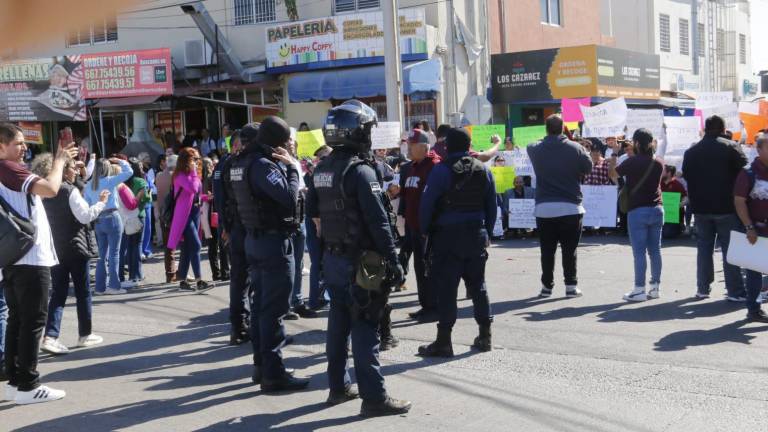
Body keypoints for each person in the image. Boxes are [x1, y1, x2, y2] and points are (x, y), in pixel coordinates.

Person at [307, 100, 410, 416]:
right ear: (357, 133)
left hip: (334, 260)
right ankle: (374, 398)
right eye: (367, 129)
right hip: (362, 264)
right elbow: (380, 222)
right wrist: (394, 263)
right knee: (366, 327)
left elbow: (313, 216)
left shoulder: (321, 170)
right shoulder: (361, 172)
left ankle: (338, 388)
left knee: (338, 325)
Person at [0, 122, 78, 404]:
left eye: (23, 143)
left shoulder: (8, 169)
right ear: (1, 147)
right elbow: (50, 188)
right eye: (17, 143)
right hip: (29, 258)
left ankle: (15, 383)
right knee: (32, 321)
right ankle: (29, 385)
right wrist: (58, 161)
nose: (24, 148)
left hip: (15, 257)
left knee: (19, 320)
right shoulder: (8, 168)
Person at [230, 117, 309, 392]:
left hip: (254, 239)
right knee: (273, 311)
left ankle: (261, 366)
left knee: (261, 308)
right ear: (279, 141)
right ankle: (273, 373)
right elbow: (288, 197)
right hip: (272, 243)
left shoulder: (242, 162)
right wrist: (290, 168)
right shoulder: (263, 165)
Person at [416, 127, 496, 358]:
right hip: (475, 234)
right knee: (478, 285)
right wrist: (487, 232)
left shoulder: (441, 171)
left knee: (448, 288)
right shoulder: (483, 170)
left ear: (448, 146)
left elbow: (427, 204)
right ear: (469, 146)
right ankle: (485, 335)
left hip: (448, 236)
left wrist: (424, 231)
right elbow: (491, 206)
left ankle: (444, 341)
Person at [31, 154, 107, 355]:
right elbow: (85, 216)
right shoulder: (68, 191)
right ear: (63, 170)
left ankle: (51, 336)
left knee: (58, 292)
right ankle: (85, 334)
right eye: (72, 167)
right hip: (76, 246)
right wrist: (101, 203)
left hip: (54, 248)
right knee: (83, 291)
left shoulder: (42, 192)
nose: (75, 170)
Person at [682, 115, 748, 301]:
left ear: (705, 128)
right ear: (723, 128)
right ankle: (735, 292)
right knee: (730, 250)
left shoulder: (691, 151)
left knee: (704, 249)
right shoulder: (731, 147)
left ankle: (702, 289)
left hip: (701, 208)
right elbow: (745, 174)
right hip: (727, 207)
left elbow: (687, 175)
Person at [527, 115, 593, 298]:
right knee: (569, 250)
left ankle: (546, 287)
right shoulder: (576, 148)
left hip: (544, 207)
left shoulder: (534, 148)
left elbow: (533, 144)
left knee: (547, 250)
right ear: (564, 127)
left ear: (546, 128)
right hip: (571, 206)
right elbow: (588, 167)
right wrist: (571, 141)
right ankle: (571, 286)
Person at [609, 129, 664, 302]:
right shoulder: (658, 162)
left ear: (638, 144)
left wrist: (614, 154)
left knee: (639, 252)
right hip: (657, 208)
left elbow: (612, 175)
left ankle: (639, 289)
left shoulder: (631, 162)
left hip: (638, 210)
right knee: (655, 250)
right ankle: (654, 288)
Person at [400, 129, 441, 323]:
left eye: (411, 145)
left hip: (429, 229)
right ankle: (425, 306)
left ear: (424, 147)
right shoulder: (411, 167)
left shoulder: (434, 166)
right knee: (419, 268)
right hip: (413, 228)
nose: (407, 147)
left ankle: (435, 308)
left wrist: (429, 226)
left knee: (430, 269)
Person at [214, 130, 251, 345]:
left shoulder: (231, 164)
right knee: (242, 279)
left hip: (237, 225)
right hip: (238, 226)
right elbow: (221, 199)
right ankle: (240, 325)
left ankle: (240, 325)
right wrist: (224, 227)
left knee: (240, 279)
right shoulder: (228, 164)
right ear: (235, 145)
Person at [85, 157, 134, 295]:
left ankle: (100, 287)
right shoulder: (110, 180)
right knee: (114, 254)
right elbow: (129, 171)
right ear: (108, 169)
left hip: (98, 220)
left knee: (102, 255)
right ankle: (114, 285)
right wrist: (119, 160)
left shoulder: (89, 185)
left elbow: (87, 204)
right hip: (112, 217)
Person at [167, 148, 212, 292]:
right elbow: (192, 188)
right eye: (195, 159)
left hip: (194, 212)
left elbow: (196, 195)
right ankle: (199, 281)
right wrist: (193, 171)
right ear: (186, 160)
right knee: (196, 245)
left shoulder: (193, 175)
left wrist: (206, 197)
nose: (198, 162)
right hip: (184, 216)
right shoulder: (179, 175)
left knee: (187, 248)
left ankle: (183, 282)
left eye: (198, 159)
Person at [734, 136, 768, 322]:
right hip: (756, 230)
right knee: (755, 272)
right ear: (759, 150)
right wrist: (749, 227)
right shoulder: (748, 173)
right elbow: (739, 202)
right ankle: (754, 309)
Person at [284, 138, 316, 320]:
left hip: (300, 216)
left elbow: (300, 188)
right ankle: (286, 304)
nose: (290, 146)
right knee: (287, 264)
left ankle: (297, 301)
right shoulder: (278, 162)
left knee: (298, 262)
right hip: (287, 220)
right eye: (286, 143)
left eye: (292, 143)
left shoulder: (296, 163)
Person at [304, 145, 332, 310]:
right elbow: (311, 205)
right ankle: (315, 300)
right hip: (317, 222)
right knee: (317, 262)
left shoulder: (323, 171)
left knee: (324, 262)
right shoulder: (319, 173)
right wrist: (318, 225)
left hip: (323, 221)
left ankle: (321, 297)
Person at [121, 158, 150, 285]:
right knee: (137, 245)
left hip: (125, 217)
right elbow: (146, 198)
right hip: (139, 215)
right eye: (142, 168)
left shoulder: (122, 182)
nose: (143, 170)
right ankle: (136, 274)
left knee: (126, 246)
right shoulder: (141, 181)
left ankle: (123, 274)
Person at [201, 157, 229, 281]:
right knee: (222, 244)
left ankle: (215, 273)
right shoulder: (214, 178)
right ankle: (225, 272)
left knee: (212, 245)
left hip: (207, 214)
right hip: (216, 212)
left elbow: (202, 196)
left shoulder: (201, 179)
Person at [155, 154, 178, 283]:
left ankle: (169, 274)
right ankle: (179, 272)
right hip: (174, 213)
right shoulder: (175, 176)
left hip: (162, 213)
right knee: (180, 245)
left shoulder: (158, 176)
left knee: (168, 247)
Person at [660, 165, 688, 239]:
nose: (661, 173)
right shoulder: (659, 184)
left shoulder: (677, 184)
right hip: (661, 215)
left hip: (674, 216)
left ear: (669, 173)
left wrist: (679, 204)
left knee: (667, 234)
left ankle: (680, 226)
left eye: (663, 171)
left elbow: (686, 198)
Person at [139, 153, 156, 259]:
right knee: (140, 229)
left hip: (148, 205)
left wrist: (149, 191)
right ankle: (139, 251)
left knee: (148, 228)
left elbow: (152, 188)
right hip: (138, 206)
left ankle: (146, 249)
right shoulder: (134, 178)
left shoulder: (146, 175)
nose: (141, 168)